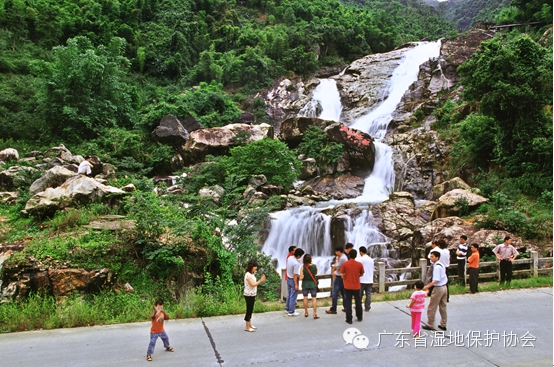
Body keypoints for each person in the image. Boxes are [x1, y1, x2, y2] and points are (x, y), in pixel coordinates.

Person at [422, 251, 448, 331]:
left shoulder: (436, 267)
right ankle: (443, 324)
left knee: (432, 307)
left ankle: (430, 324)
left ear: (437, 257)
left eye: (432, 256)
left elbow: (436, 280)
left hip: (438, 288)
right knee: (443, 307)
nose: (430, 258)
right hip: (444, 287)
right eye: (430, 256)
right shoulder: (441, 264)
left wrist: (427, 286)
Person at [340, 249, 364, 324]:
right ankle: (359, 316)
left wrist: (345, 278)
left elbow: (341, 273)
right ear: (356, 255)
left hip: (347, 286)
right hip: (356, 286)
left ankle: (349, 319)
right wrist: (357, 276)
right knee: (358, 301)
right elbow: (362, 273)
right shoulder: (359, 264)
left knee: (348, 302)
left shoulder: (345, 264)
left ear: (349, 255)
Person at [244, 260, 266, 332]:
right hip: (248, 294)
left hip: (252, 294)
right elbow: (252, 285)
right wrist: (260, 280)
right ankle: (247, 327)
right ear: (251, 267)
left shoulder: (252, 274)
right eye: (255, 266)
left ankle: (250, 324)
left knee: (251, 310)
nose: (256, 268)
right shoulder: (248, 275)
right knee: (249, 310)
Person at [326, 246, 347, 315]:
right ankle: (346, 307)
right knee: (344, 293)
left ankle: (333, 309)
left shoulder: (342, 258)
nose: (335, 253)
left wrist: (333, 271)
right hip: (343, 277)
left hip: (339, 278)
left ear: (338, 251)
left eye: (336, 251)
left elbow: (336, 267)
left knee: (335, 293)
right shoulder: (342, 257)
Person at [286, 248, 304, 316]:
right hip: (293, 280)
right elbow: (295, 275)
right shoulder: (296, 263)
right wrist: (296, 284)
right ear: (299, 256)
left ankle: (287, 308)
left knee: (289, 295)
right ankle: (291, 311)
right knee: (293, 296)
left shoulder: (290, 258)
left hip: (288, 278)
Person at [300, 254, 319, 319]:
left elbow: (301, 277)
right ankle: (314, 313)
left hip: (305, 284)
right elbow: (316, 273)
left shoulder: (302, 268)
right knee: (314, 298)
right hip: (313, 284)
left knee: (305, 298)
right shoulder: (315, 266)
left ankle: (306, 312)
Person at [357, 246, 374, 312]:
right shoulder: (371, 260)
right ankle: (367, 307)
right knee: (368, 294)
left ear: (361, 252)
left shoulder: (360, 260)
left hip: (362, 279)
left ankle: (358, 306)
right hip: (370, 279)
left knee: (360, 294)